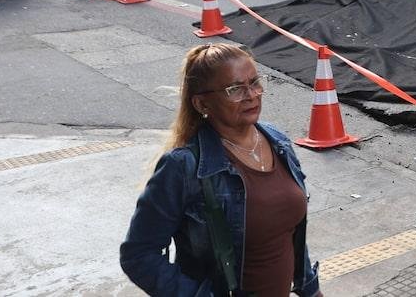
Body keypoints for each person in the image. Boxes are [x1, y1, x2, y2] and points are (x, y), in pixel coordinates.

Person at [121, 43, 322, 297]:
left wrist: (310, 288)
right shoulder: (183, 166)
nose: (251, 95)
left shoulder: (277, 141)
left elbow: (290, 235)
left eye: (255, 82)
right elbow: (138, 255)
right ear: (203, 104)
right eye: (235, 89)